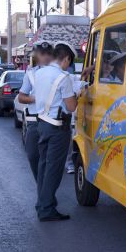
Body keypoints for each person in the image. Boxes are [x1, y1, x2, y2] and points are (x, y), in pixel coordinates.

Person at [33, 42, 79, 221]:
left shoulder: (40, 72)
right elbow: (71, 106)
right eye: (70, 62)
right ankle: (46, 209)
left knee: (44, 167)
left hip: (42, 123)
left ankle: (42, 203)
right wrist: (77, 96)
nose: (69, 65)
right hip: (57, 128)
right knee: (53, 170)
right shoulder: (63, 78)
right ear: (66, 58)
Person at [18, 41, 54, 182]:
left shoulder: (59, 73)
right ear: (37, 55)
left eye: (48, 54)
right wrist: (35, 99)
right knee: (33, 155)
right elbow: (21, 97)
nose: (45, 57)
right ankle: (42, 186)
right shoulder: (31, 74)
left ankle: (45, 194)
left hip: (53, 121)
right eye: (42, 54)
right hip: (34, 121)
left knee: (50, 160)